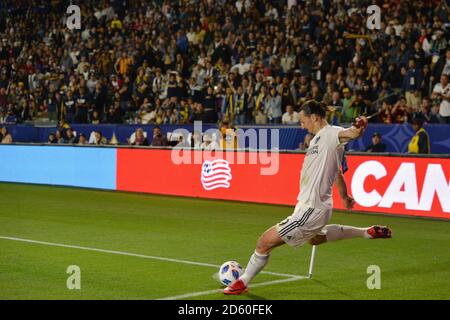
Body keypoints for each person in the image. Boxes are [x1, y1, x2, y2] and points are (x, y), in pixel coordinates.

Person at [224, 100, 392, 295]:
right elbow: (337, 171)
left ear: (314, 117)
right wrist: (344, 196)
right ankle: (366, 232)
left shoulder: (331, 134)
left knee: (264, 242)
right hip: (314, 207)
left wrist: (359, 127)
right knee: (315, 239)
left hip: (311, 209)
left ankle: (242, 282)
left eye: (303, 121)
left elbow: (351, 133)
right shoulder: (316, 140)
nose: (302, 125)